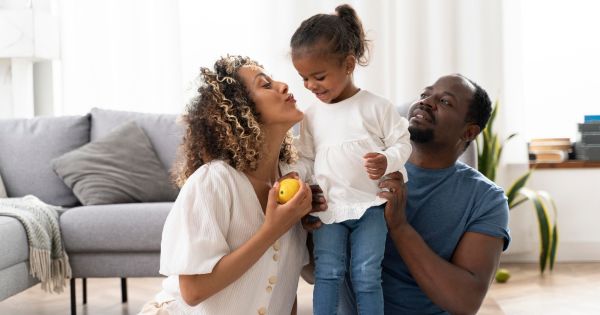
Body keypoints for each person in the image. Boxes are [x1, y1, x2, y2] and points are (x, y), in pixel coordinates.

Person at [139, 55, 314, 315]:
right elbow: (193, 291)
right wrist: (272, 229)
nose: (283, 86)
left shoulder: (297, 179)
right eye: (265, 85)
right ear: (240, 111)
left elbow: (284, 284)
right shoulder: (214, 181)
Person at [334, 74, 511, 314]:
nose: (426, 102)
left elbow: (465, 301)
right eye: (425, 95)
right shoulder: (365, 164)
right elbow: (313, 271)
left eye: (445, 101)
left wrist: (399, 226)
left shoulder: (486, 199)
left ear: (469, 132)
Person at [290, 4, 412, 315]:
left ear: (348, 64)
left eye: (318, 76)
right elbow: (305, 158)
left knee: (366, 276)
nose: (311, 86)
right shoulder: (311, 116)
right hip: (330, 209)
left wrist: (387, 160)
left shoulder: (376, 107)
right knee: (328, 274)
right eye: (304, 78)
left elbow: (402, 143)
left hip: (371, 207)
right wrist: (298, 180)